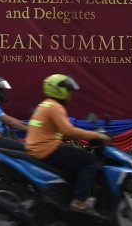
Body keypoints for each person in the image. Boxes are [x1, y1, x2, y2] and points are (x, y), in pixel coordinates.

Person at [26, 74, 111, 213]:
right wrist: (97, 135)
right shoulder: (55, 107)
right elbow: (68, 130)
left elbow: (63, 131)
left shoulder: (45, 104)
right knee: (89, 161)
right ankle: (78, 202)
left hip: (39, 147)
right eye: (69, 90)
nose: (71, 94)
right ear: (59, 90)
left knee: (75, 162)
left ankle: (66, 199)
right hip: (46, 149)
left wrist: (84, 136)